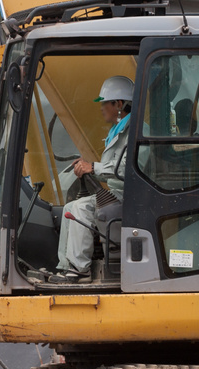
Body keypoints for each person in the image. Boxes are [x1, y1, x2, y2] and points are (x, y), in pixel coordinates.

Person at [30, 75, 132, 284]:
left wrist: (93, 167)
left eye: (105, 103)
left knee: (80, 209)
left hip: (129, 195)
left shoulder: (135, 132)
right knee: (71, 207)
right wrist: (90, 168)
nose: (101, 108)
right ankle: (66, 266)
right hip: (118, 192)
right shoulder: (119, 130)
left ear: (119, 104)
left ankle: (80, 270)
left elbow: (126, 169)